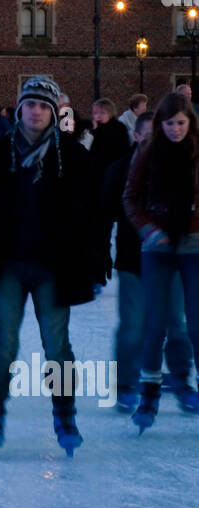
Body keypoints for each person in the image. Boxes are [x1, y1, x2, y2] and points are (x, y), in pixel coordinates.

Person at [0, 74, 108, 455]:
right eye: (29, 105)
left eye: (42, 106)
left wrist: (97, 259)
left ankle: (65, 414)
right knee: (3, 344)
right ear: (20, 110)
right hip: (8, 265)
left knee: (57, 345)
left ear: (53, 112)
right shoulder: (0, 153)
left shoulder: (73, 155)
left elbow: (93, 213)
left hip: (54, 266)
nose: (35, 112)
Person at [102, 111, 194, 414]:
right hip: (134, 261)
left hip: (174, 258)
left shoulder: (177, 165)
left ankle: (182, 382)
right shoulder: (119, 170)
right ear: (137, 136)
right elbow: (102, 216)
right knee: (134, 325)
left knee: (175, 324)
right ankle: (126, 385)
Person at [123, 92, 199, 432]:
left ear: (190, 122)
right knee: (156, 324)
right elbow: (130, 197)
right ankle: (150, 392)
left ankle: (186, 384)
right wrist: (147, 229)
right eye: (169, 124)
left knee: (194, 324)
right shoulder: (148, 151)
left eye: (180, 123)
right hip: (157, 246)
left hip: (194, 246)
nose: (175, 130)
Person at [88, 98, 131, 191]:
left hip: (112, 172)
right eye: (95, 113)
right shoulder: (94, 128)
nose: (98, 116)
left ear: (110, 113)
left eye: (102, 113)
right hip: (97, 173)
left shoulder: (118, 128)